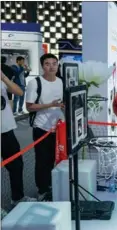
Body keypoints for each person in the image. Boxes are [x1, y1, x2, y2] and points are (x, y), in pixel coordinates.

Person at [26, 53, 64, 201]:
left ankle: (53, 186)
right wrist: (50, 105)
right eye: (47, 63)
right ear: (42, 66)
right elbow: (29, 107)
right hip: (42, 128)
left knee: (57, 159)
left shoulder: (61, 82)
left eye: (54, 63)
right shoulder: (35, 83)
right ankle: (42, 190)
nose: (51, 66)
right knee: (43, 161)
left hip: (59, 128)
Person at [1, 70, 37, 207]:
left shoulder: (1, 80)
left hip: (7, 130)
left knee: (16, 165)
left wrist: (3, 77)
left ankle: (17, 198)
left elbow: (19, 92)